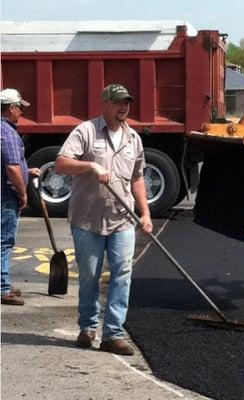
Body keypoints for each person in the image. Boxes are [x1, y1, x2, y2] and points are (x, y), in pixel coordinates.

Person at [55, 83, 153, 356]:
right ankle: (87, 327)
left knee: (122, 274)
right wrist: (91, 165)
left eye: (127, 102)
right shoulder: (85, 131)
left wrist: (145, 213)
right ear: (105, 104)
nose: (124, 107)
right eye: (118, 102)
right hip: (88, 219)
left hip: (122, 219)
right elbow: (61, 163)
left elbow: (137, 178)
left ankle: (113, 334)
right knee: (90, 276)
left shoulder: (133, 138)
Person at [1, 88, 40, 305]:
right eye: (19, 108)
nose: (21, 113)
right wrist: (23, 192)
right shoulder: (7, 134)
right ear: (11, 108)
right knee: (4, 242)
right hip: (5, 195)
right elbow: (12, 168)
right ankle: (2, 288)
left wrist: (28, 170)